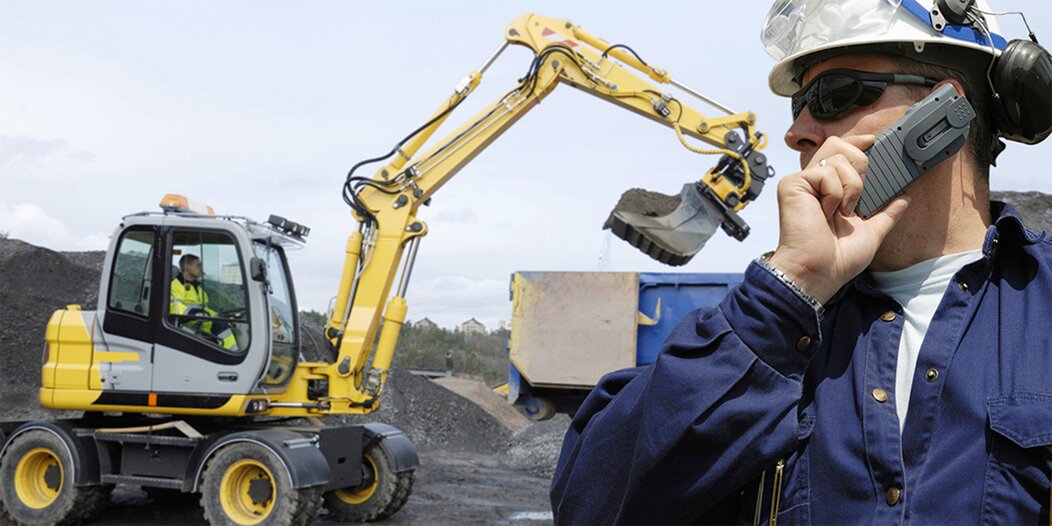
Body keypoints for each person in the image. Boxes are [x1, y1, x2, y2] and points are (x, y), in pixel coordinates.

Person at [550, 0, 1052, 523]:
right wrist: (790, 289)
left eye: (835, 94)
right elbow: (588, 506)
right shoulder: (765, 329)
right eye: (798, 106)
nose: (798, 132)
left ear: (942, 113)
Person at [170, 254, 238, 350]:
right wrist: (195, 313)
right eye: (198, 265)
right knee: (221, 326)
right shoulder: (175, 285)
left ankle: (232, 352)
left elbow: (206, 310)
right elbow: (175, 308)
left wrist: (220, 315)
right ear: (186, 266)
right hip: (186, 326)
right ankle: (233, 355)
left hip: (201, 324)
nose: (201, 268)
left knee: (224, 323)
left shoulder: (199, 288)